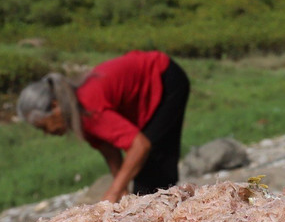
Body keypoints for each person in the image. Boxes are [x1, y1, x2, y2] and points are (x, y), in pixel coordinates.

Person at [18, 51, 190, 203]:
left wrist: (113, 192)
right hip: (150, 83)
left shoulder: (89, 109)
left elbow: (140, 145)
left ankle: (170, 217)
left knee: (152, 172)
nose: (47, 133)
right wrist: (121, 189)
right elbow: (108, 148)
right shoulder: (78, 113)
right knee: (143, 178)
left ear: (55, 106)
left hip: (164, 78)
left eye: (43, 127)